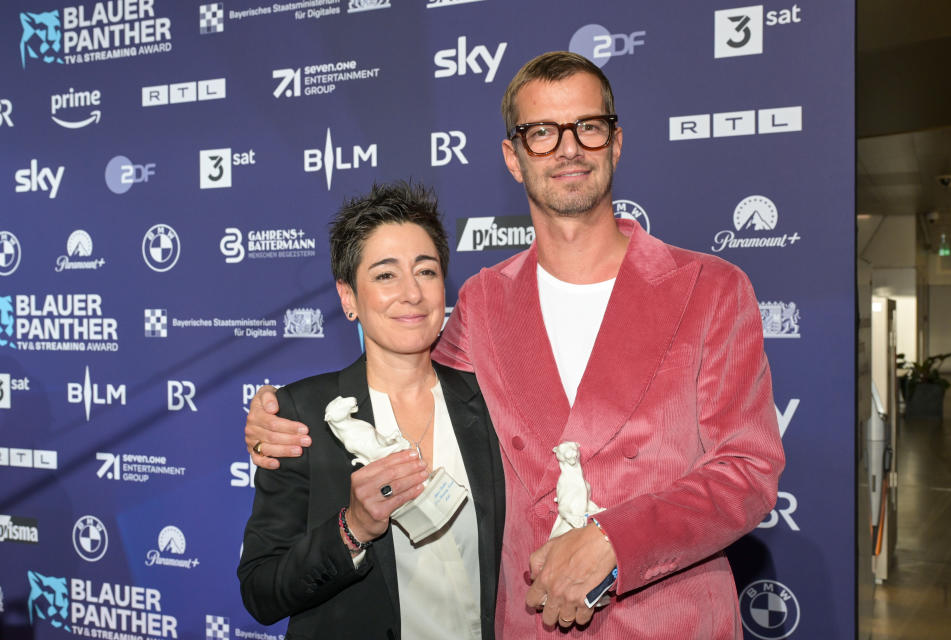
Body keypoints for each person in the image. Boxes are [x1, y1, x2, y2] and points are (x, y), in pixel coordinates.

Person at [245, 52, 785, 638]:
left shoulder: (711, 289)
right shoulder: (482, 302)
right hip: (529, 622)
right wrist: (282, 422)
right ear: (513, 155)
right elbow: (411, 389)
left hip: (670, 619)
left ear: (616, 141)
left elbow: (747, 470)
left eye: (588, 127)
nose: (568, 148)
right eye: (542, 133)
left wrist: (614, 542)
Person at [237, 182, 505, 640]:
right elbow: (261, 591)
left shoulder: (490, 403)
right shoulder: (299, 416)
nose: (412, 293)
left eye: (426, 271)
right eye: (385, 275)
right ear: (348, 297)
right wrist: (353, 528)